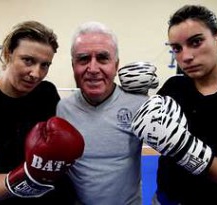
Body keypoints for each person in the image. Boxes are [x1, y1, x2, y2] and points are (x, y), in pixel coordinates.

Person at [130, 4, 217, 205]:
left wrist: (184, 149)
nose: (186, 57)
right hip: (164, 200)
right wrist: (134, 98)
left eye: (196, 42)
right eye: (177, 48)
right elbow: (151, 132)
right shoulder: (174, 87)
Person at [0, 20, 80, 205]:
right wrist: (33, 174)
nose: (36, 73)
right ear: (8, 54)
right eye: (28, 60)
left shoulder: (46, 92)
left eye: (45, 65)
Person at [56, 21, 154, 205]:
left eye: (102, 58)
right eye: (83, 58)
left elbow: (173, 163)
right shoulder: (62, 109)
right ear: (73, 65)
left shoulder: (139, 105)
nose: (93, 69)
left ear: (116, 65)